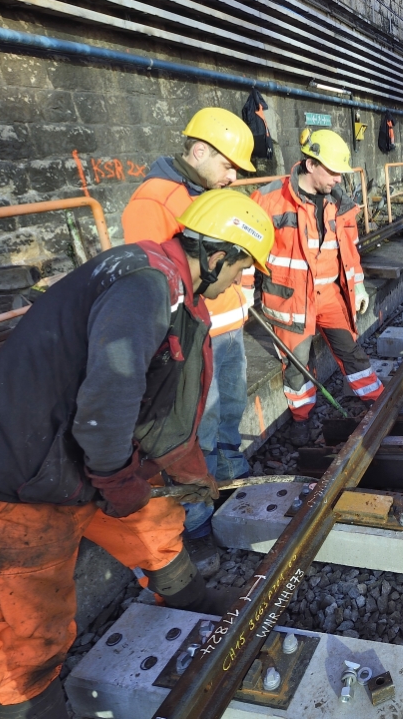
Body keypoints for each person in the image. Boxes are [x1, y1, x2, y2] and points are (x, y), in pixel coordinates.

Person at [0, 190, 275, 719]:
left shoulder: (166, 283)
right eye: (241, 271)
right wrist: (117, 482)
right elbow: (109, 396)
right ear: (218, 256)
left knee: (156, 524)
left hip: (70, 461)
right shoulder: (145, 286)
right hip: (10, 487)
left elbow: (158, 404)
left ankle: (195, 610)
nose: (236, 284)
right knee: (31, 641)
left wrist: (181, 475)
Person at [122, 106, 258, 537]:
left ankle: (229, 472)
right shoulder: (156, 202)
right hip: (193, 336)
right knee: (194, 422)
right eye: (228, 165)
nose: (233, 176)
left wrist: (247, 288)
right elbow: (153, 278)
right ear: (199, 151)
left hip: (229, 323)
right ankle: (196, 513)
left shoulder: (211, 194)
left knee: (229, 406)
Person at [252, 129, 380, 446]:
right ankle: (301, 420)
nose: (339, 179)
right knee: (296, 365)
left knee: (351, 351)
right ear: (311, 165)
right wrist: (243, 289)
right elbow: (246, 250)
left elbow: (349, 248)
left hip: (330, 297)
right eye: (333, 171)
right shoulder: (268, 199)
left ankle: (377, 403)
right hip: (291, 299)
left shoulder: (341, 203)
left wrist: (359, 284)